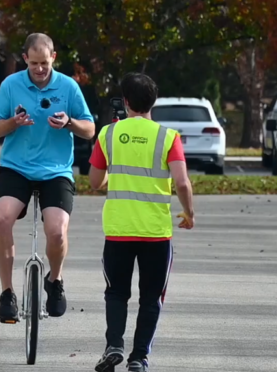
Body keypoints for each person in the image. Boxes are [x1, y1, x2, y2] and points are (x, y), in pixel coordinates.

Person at [87, 72, 194, 372]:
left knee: (116, 292)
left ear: (125, 102)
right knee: (151, 297)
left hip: (119, 231)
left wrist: (112, 172)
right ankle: (139, 357)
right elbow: (182, 183)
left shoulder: (108, 134)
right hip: (155, 234)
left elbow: (95, 181)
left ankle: (114, 345)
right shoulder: (168, 137)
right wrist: (189, 212)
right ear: (153, 102)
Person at [0, 33, 96, 323]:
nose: (39, 69)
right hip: (16, 167)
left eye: (44, 63)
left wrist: (69, 123)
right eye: (34, 63)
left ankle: (55, 280)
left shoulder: (68, 86)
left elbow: (90, 129)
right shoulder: (10, 85)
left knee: (57, 231)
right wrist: (14, 122)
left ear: (54, 59)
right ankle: (7, 292)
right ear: (25, 59)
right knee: (2, 219)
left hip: (55, 170)